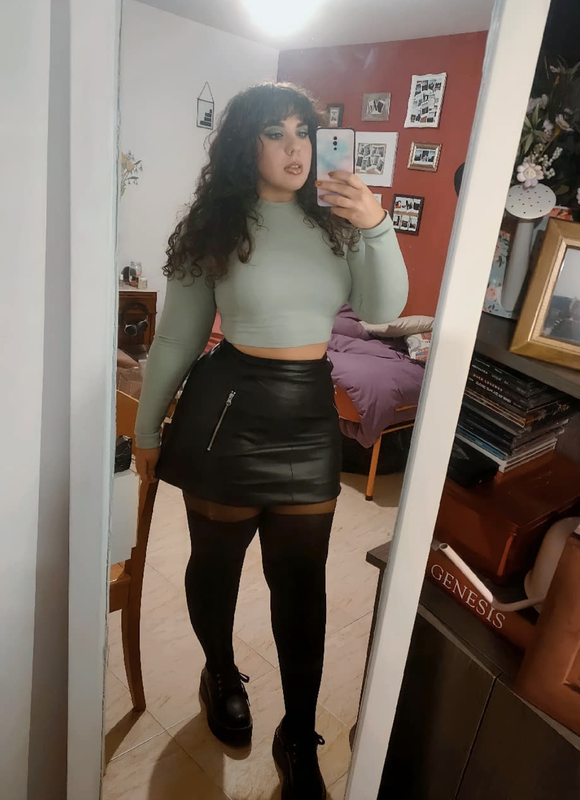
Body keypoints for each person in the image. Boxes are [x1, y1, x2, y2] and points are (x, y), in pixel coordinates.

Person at [134, 82, 408, 799]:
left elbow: (382, 310)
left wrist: (377, 224)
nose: (295, 148)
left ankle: (299, 731)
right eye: (274, 132)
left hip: (307, 417)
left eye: (303, 132)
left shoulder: (340, 223)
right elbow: (177, 338)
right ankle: (221, 672)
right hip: (226, 410)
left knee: (302, 585)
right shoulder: (215, 226)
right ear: (243, 145)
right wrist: (145, 428)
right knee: (215, 567)